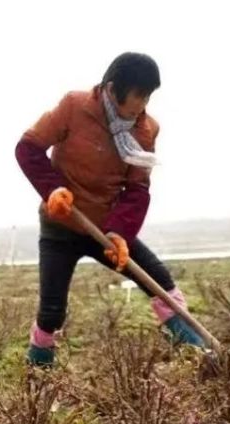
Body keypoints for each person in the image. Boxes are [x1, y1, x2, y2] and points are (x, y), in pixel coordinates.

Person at [14, 51, 205, 366]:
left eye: (148, 97)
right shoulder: (74, 107)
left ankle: (198, 352)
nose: (143, 105)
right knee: (51, 310)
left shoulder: (145, 130)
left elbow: (138, 189)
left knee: (159, 280)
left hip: (105, 228)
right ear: (113, 88)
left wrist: (120, 233)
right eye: (138, 96)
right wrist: (53, 190)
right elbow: (28, 148)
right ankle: (39, 364)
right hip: (61, 224)